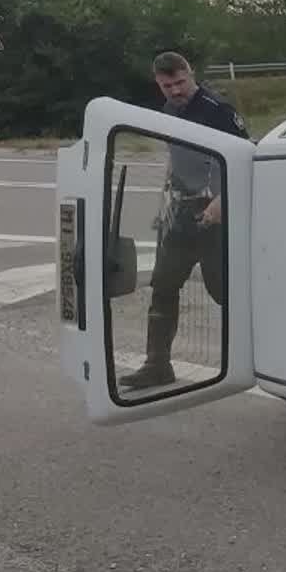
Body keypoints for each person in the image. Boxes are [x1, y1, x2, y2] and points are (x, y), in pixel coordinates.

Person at [119, 51, 250, 391]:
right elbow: (176, 160)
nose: (176, 90)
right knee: (163, 288)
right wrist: (164, 202)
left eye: (180, 82)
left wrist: (223, 202)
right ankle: (157, 365)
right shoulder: (169, 111)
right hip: (179, 214)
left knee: (225, 292)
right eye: (167, 85)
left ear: (191, 74)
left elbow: (245, 158)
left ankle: (256, 359)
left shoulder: (217, 110)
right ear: (159, 84)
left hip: (214, 214)